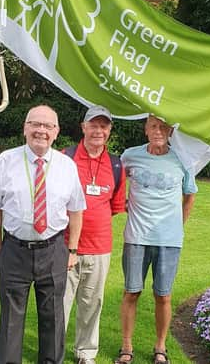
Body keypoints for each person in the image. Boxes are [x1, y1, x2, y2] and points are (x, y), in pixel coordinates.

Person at [0, 104, 86, 364]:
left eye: (47, 126)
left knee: (53, 317)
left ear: (56, 131)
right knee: (11, 319)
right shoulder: (6, 160)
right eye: (35, 124)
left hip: (53, 251)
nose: (41, 130)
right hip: (14, 250)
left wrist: (72, 249)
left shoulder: (66, 165)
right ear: (25, 128)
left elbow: (76, 210)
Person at [115, 115, 197, 364]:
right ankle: (126, 347)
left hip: (169, 240)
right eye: (153, 126)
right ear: (145, 129)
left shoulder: (182, 159)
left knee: (163, 295)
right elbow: (115, 183)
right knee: (132, 292)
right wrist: (122, 202)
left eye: (163, 127)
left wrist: (177, 226)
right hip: (136, 237)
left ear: (171, 131)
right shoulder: (129, 156)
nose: (158, 131)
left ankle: (160, 347)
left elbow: (190, 195)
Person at [62, 106, 126, 364]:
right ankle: (53, 351)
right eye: (94, 125)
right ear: (83, 127)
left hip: (100, 247)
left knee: (92, 303)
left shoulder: (116, 164)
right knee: (60, 304)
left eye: (104, 126)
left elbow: (114, 206)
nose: (98, 130)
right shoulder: (65, 158)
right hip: (65, 246)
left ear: (109, 130)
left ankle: (85, 353)